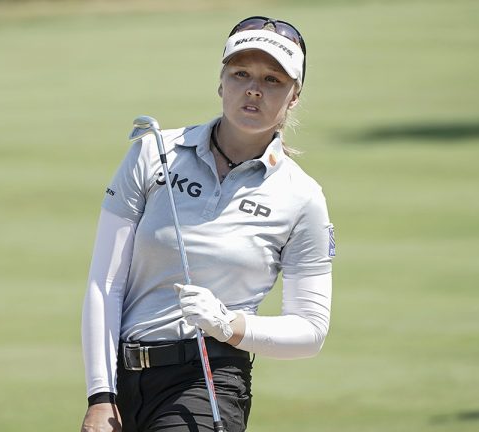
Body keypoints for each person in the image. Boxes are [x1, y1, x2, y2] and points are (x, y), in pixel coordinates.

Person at [80, 16, 334, 432]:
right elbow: (105, 284)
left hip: (210, 380)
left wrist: (228, 324)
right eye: (241, 74)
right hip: (124, 378)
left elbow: (310, 330)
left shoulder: (301, 198)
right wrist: (100, 394)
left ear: (293, 97)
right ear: (221, 82)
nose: (253, 88)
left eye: (273, 80)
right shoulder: (153, 152)